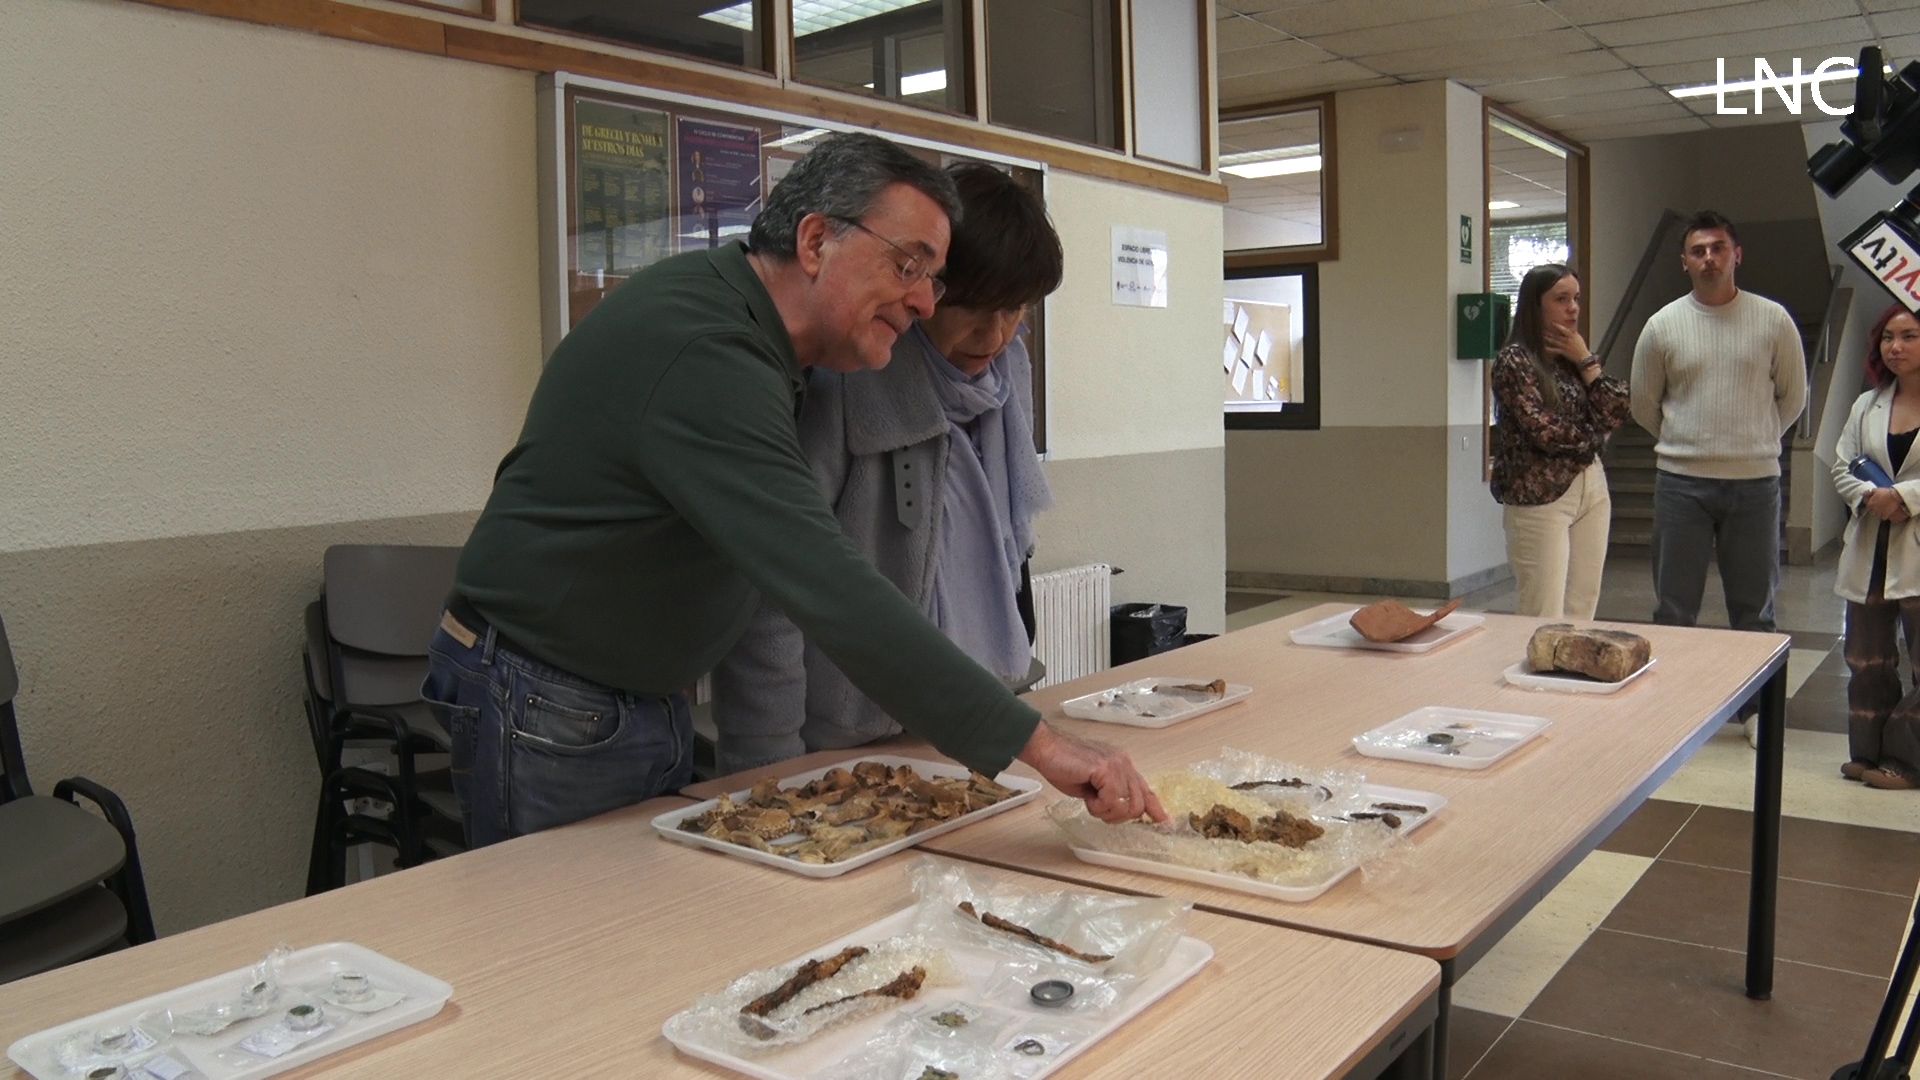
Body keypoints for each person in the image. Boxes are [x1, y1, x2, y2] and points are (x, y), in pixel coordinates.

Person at [422, 133, 1164, 846]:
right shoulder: (709, 351)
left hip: (633, 694)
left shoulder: (773, 344)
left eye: (934, 280)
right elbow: (829, 585)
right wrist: (1037, 743)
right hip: (553, 693)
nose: (925, 304)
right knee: (573, 944)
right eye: (909, 267)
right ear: (816, 242)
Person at [712, 163, 1062, 773]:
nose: (996, 336)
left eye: (1016, 311)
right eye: (975, 307)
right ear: (927, 290)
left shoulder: (1006, 381)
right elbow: (773, 598)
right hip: (849, 743)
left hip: (973, 718)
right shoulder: (844, 382)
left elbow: (1008, 551)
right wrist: (768, 770)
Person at [1629, 209, 1808, 743]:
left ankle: (1755, 712)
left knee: (1754, 609)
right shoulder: (1662, 325)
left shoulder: (1772, 320)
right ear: (1684, 261)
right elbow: (1644, 404)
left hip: (1754, 484)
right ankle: (1677, 710)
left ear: (1737, 255)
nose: (1709, 258)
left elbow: (1793, 398)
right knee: (1674, 607)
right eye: (1698, 250)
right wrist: (1692, 442)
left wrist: (1749, 441)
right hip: (1681, 482)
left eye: (1718, 248)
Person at [1489, 264, 1630, 619]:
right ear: (1535, 306)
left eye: (1576, 299)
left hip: (1591, 487)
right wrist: (1595, 435)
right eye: (1561, 299)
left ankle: (1574, 672)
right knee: (1544, 610)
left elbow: (1616, 410)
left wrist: (1586, 360)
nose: (1573, 308)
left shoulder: (1573, 359)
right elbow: (1543, 430)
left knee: (1583, 604)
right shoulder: (1514, 360)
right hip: (1540, 495)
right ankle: (1537, 676)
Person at [1833, 305, 1920, 790]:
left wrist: (1905, 497)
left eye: (1909, 335)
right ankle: (1867, 752)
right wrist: (1873, 496)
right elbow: (1842, 465)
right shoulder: (1867, 404)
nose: (1896, 346)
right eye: (1888, 336)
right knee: (1867, 660)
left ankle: (1906, 761)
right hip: (1871, 546)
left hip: (1916, 544)